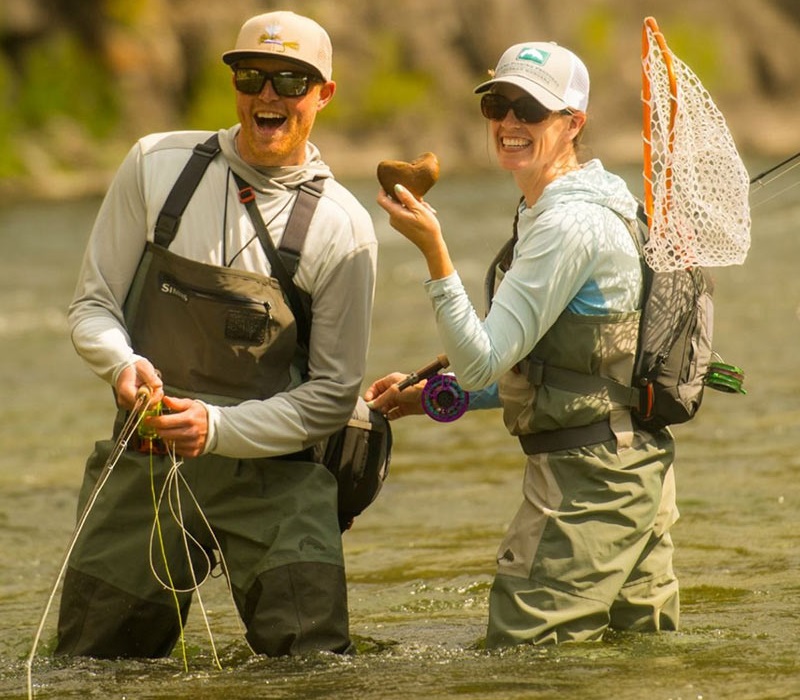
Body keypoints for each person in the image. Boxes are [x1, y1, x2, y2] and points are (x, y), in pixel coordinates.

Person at [56, 11, 377, 658]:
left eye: (291, 80)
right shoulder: (156, 165)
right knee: (90, 672)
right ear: (233, 81)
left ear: (323, 94)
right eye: (252, 74)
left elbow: (332, 398)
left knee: (314, 674)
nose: (269, 94)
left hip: (278, 481)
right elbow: (92, 308)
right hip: (147, 466)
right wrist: (120, 366)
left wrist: (217, 428)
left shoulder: (344, 229)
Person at [366, 41, 680, 647]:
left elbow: (483, 358)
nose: (509, 122)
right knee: (637, 665)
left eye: (531, 109)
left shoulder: (567, 224)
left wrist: (435, 254)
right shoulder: (588, 202)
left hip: (587, 482)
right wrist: (430, 396)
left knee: (525, 659)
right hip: (633, 469)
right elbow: (552, 367)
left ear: (573, 123)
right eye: (498, 104)